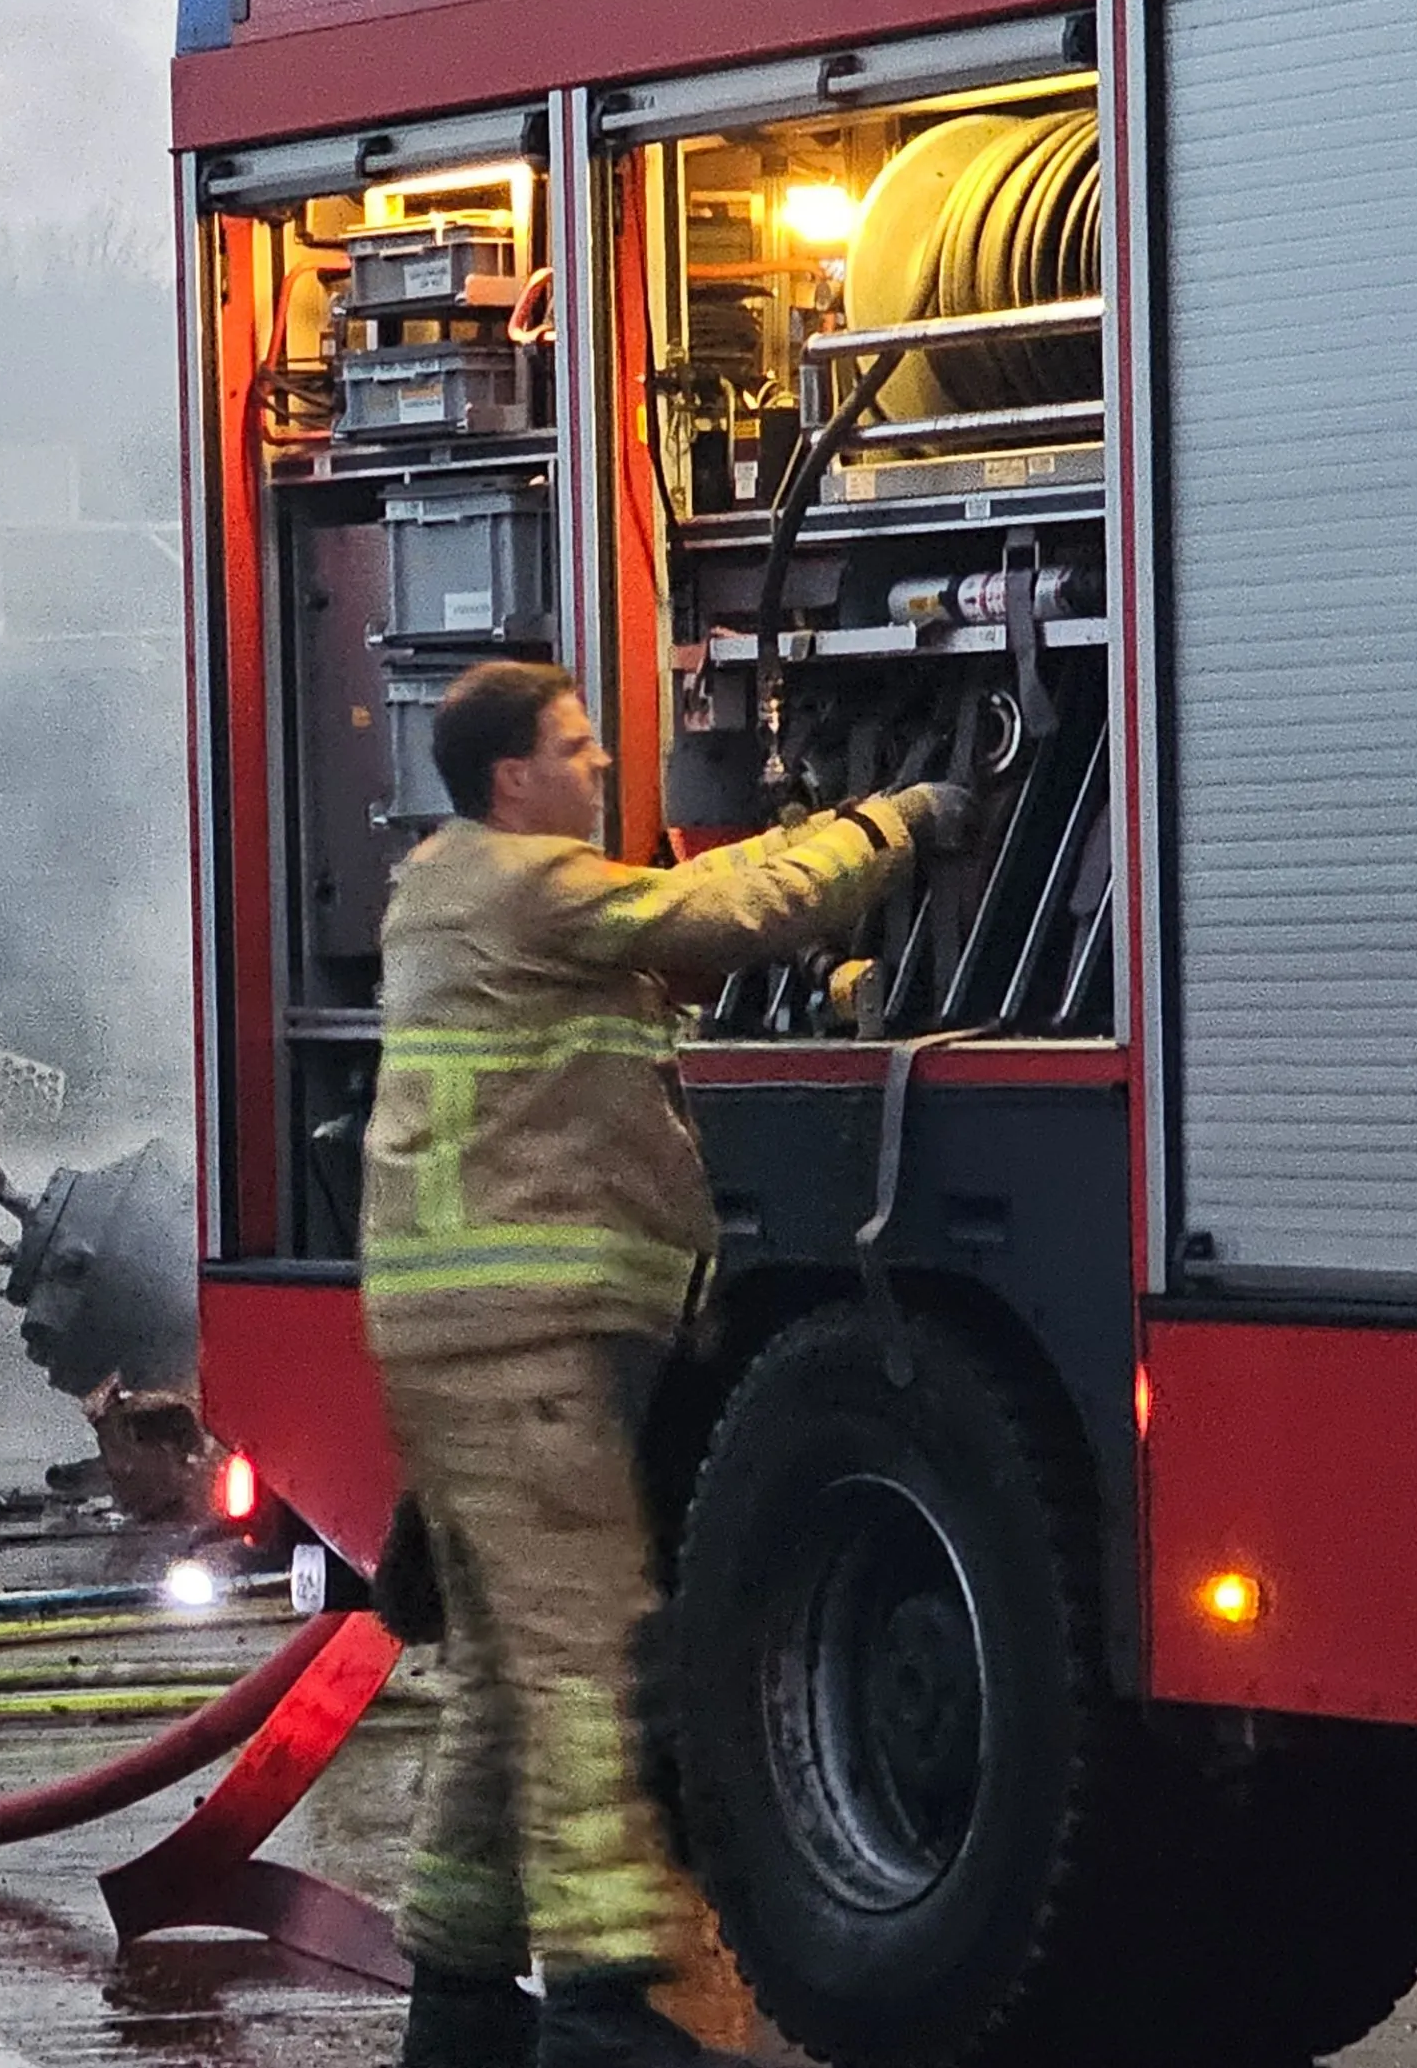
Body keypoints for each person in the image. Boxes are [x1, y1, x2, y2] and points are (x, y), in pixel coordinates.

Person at [366, 662, 965, 2068]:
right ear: (513, 778)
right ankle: (597, 2003)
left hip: (469, 1330)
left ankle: (456, 1993)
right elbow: (717, 911)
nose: (600, 766)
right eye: (575, 747)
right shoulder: (526, 885)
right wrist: (892, 827)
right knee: (581, 1656)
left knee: (509, 1675)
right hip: (528, 1334)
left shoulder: (448, 891)